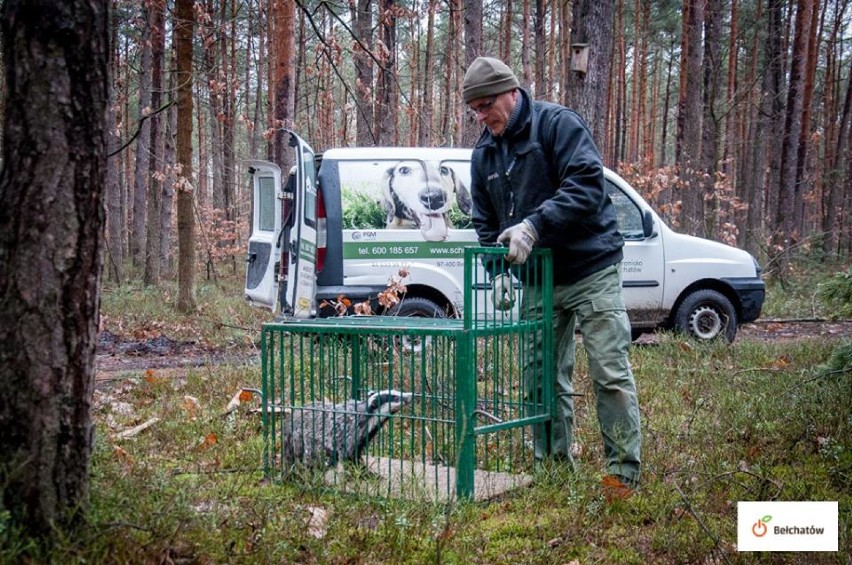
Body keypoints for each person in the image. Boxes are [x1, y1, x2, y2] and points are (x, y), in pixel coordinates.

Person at [463, 56, 642, 500]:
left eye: (487, 106)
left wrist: (533, 225)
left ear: (512, 91)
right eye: (475, 111)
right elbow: (484, 221)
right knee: (540, 376)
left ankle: (621, 474)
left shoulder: (558, 125)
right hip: (538, 278)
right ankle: (553, 468)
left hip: (591, 267)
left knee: (608, 371)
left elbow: (585, 186)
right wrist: (499, 269)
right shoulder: (484, 152)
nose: (483, 117)